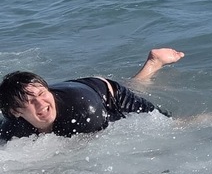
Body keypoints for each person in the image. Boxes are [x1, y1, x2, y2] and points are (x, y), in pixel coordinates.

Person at [0, 47, 184, 141]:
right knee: (135, 85)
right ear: (16, 111)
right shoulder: (10, 126)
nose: (41, 104)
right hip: (79, 88)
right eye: (31, 102)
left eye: (42, 94)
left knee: (169, 124)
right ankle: (153, 63)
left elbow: (91, 148)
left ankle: (154, 63)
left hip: (106, 95)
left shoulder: (85, 112)